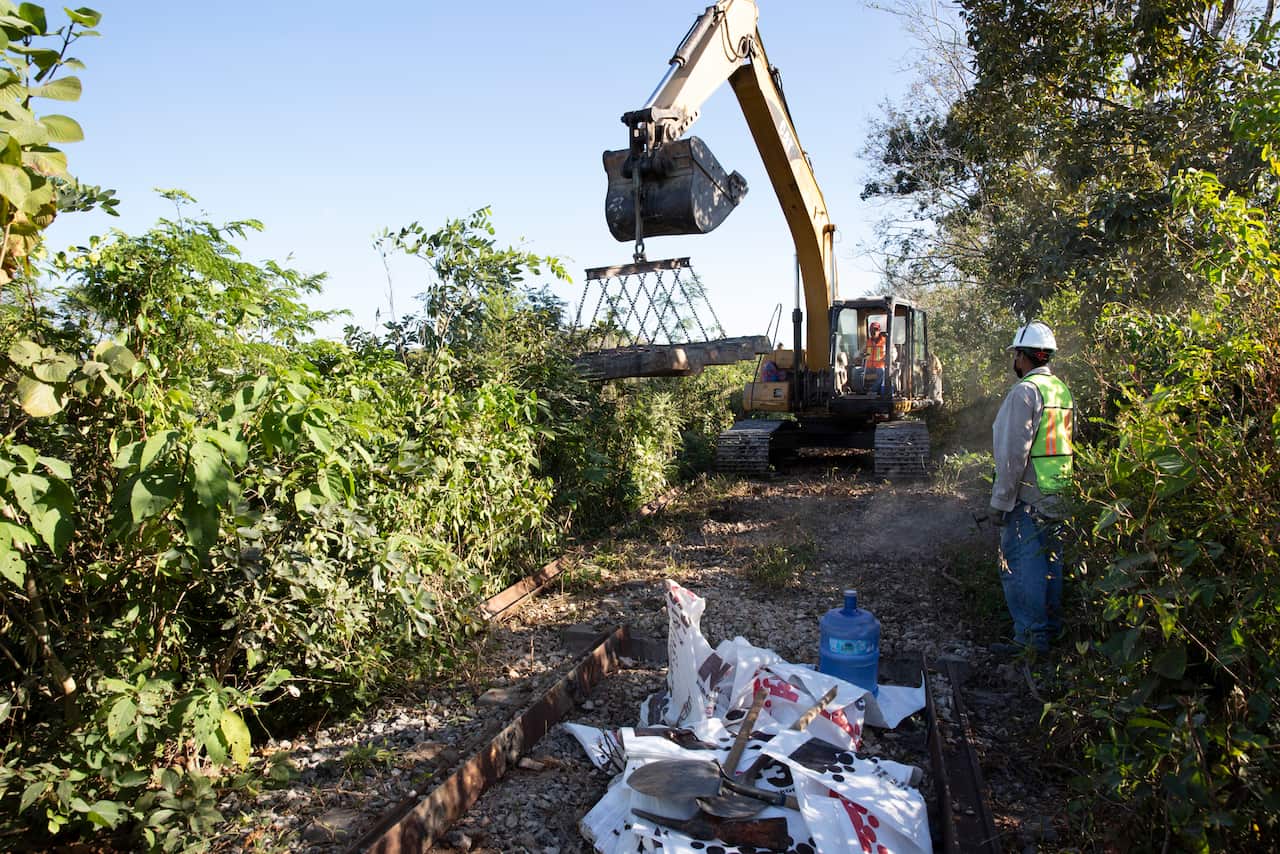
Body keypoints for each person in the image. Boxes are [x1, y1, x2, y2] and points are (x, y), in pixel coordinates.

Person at [990, 321, 1074, 656]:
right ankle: (1049, 633)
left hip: (1028, 495)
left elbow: (1014, 453)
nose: (1015, 363)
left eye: (1016, 356)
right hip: (1060, 492)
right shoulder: (1061, 390)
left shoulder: (1025, 392)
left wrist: (1001, 501)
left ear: (1023, 358)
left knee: (1022, 567)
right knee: (1052, 565)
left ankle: (1031, 641)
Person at [858, 321, 889, 393]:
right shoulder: (867, 342)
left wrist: (889, 358)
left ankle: (872, 391)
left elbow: (893, 353)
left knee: (882, 372)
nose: (874, 332)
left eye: (876, 330)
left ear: (879, 331)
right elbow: (860, 352)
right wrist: (859, 356)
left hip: (880, 367)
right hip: (868, 367)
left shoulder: (886, 342)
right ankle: (860, 391)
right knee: (856, 371)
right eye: (872, 330)